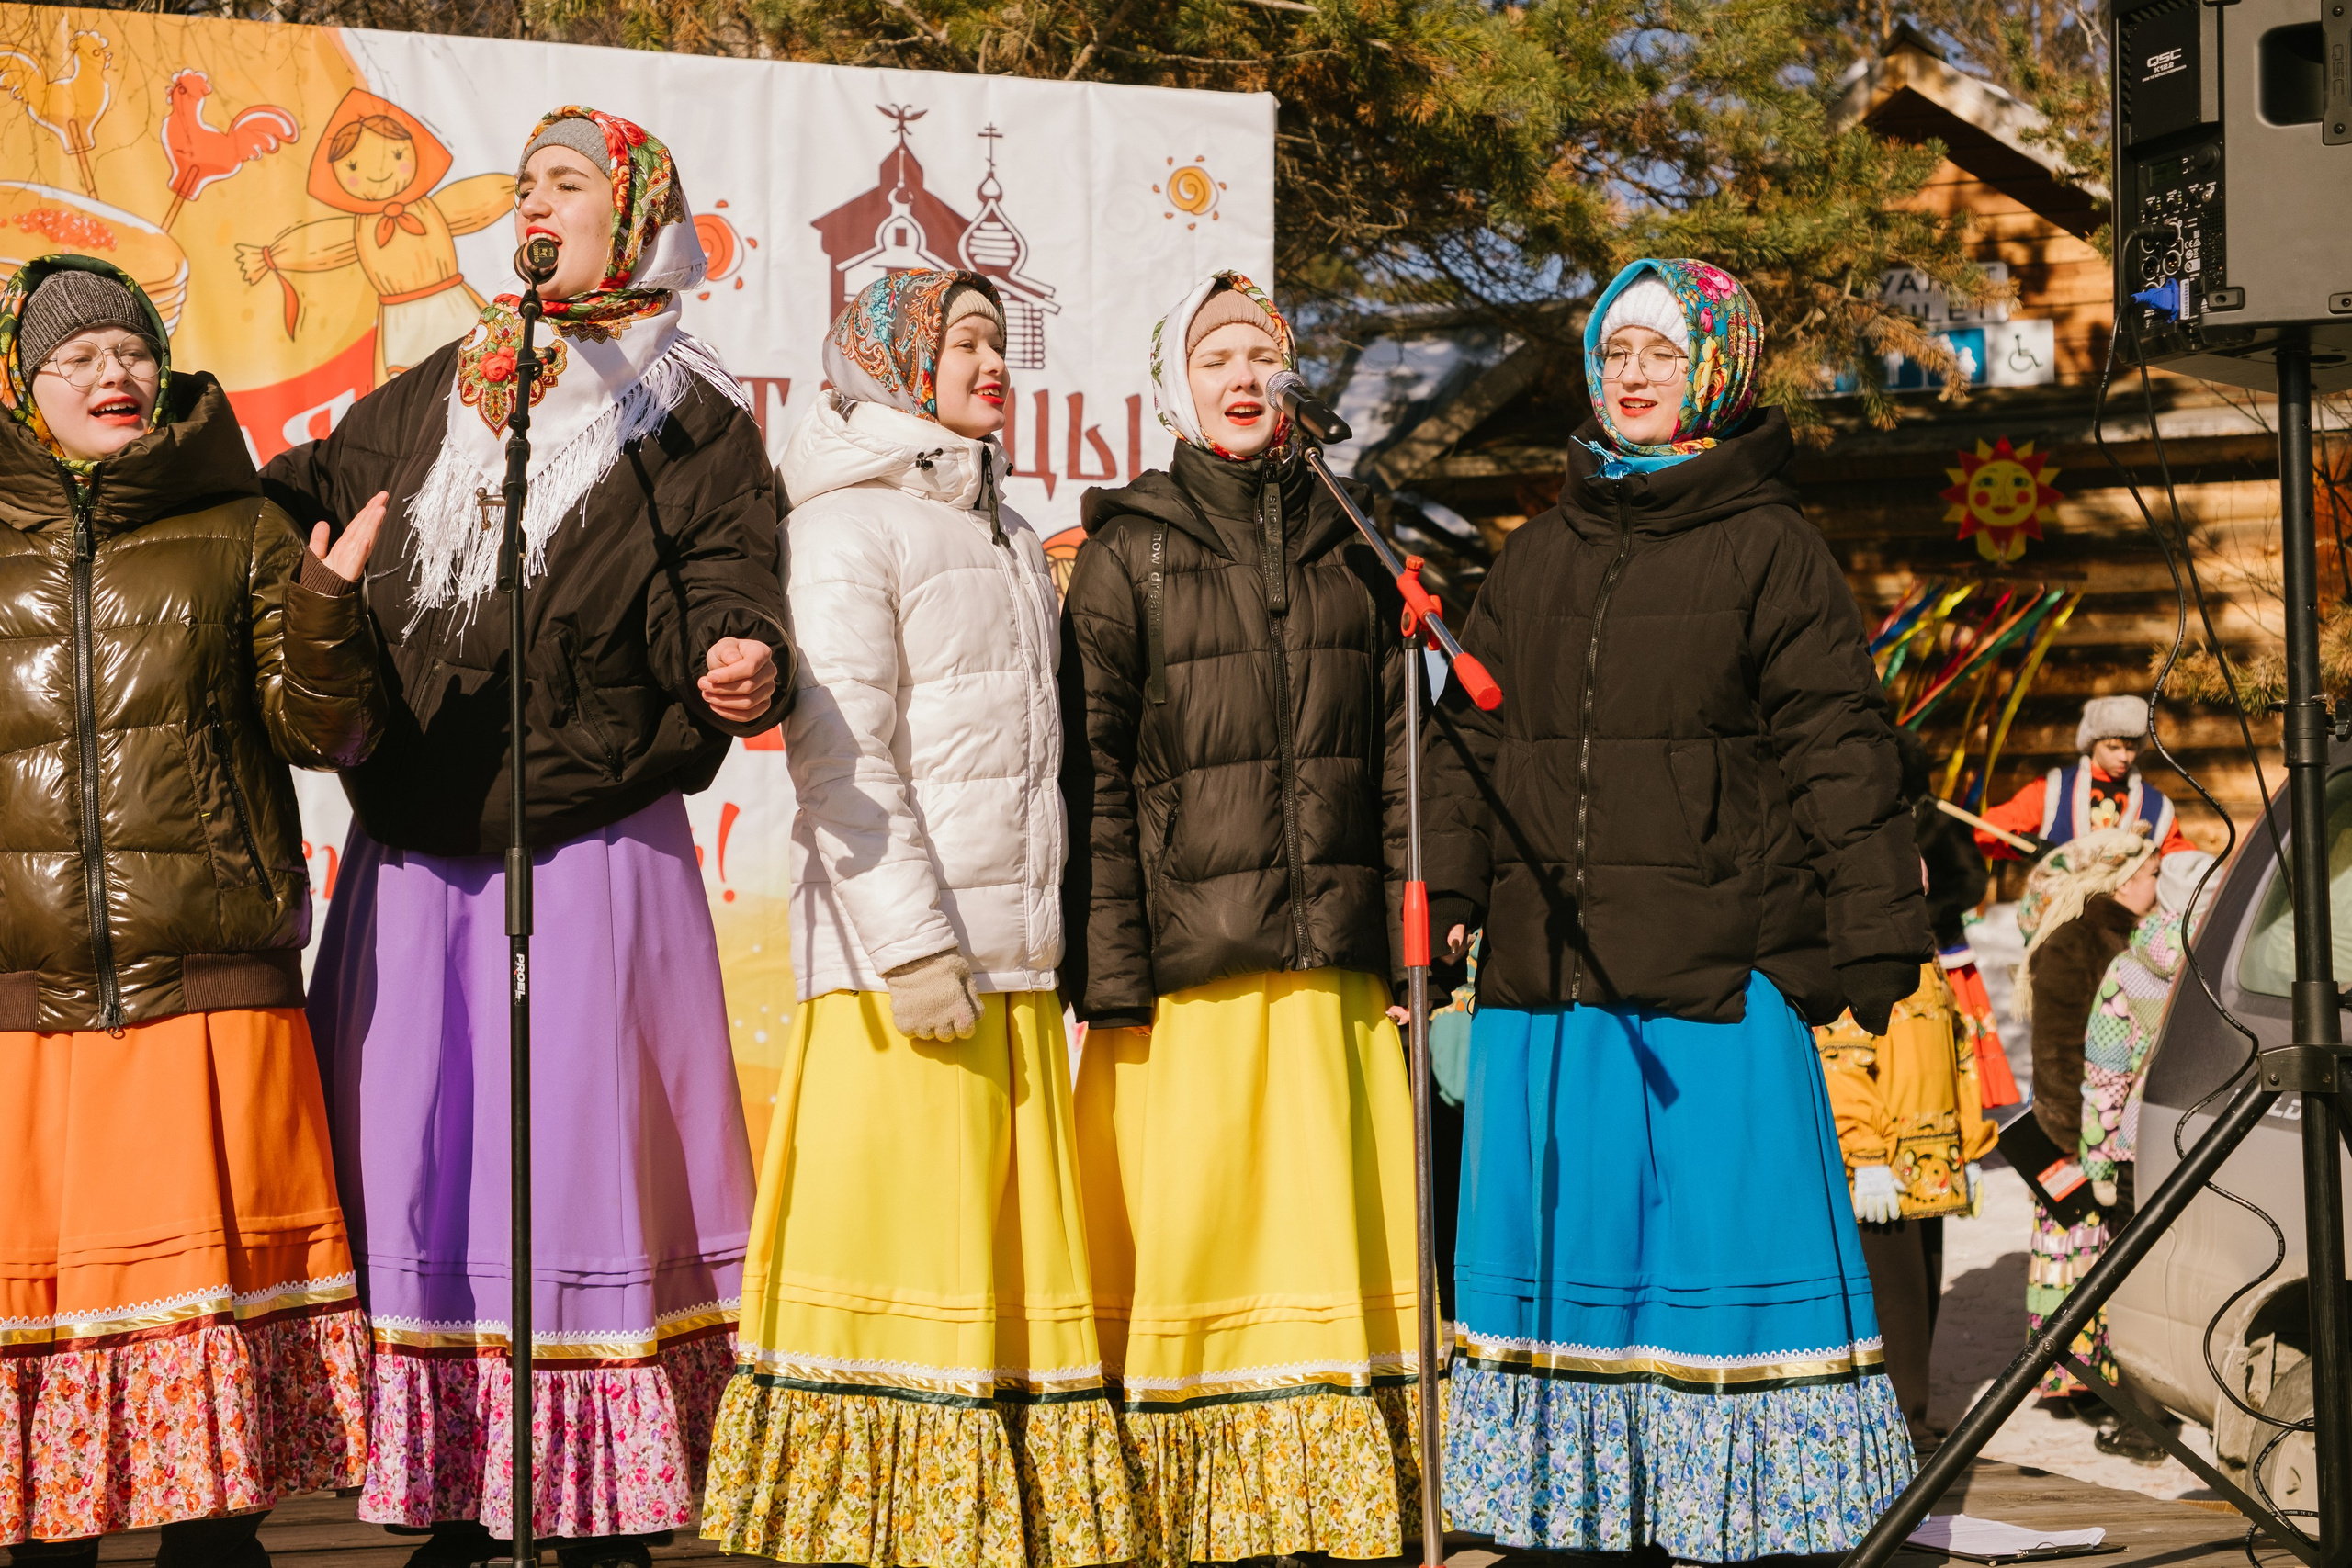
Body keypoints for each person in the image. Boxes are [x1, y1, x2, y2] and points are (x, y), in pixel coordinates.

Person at [262, 108, 786, 1568]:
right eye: (532, 184)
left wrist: (738, 649)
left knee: (580, 1158)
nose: (537, 204)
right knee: (425, 1154)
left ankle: (595, 1491)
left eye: (573, 183)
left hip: (588, 829)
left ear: (633, 221)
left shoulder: (684, 409)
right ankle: (449, 1476)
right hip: (423, 835)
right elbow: (303, 494)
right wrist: (187, 476)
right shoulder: (447, 385)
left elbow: (722, 568)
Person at [1423, 257, 1928, 1561]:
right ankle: (1578, 1511)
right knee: (1579, 1276)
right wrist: (1447, 897)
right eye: (1613, 352)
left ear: (1715, 366)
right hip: (1553, 981)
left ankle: (1749, 1512)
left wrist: (1874, 925)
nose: (1630, 374)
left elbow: (1839, 747)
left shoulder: (1774, 548)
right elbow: (1469, 744)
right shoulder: (1536, 557)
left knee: (1719, 1265)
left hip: (1714, 973)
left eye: (1657, 350)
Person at [699, 270, 1136, 1568]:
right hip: (911, 977)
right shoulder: (845, 529)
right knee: (908, 1273)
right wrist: (913, 943)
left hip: (1007, 964)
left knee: (985, 1281)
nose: (992, 359)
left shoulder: (1000, 528)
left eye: (1000, 339)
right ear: (895, 361)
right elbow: (844, 760)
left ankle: (976, 1526)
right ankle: (870, 1532)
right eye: (963, 339)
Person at [0, 256, 386, 1562]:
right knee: (38, 1413)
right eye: (81, 358)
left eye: (132, 349)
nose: (115, 374)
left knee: (213, 1482)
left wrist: (328, 611)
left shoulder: (241, 523)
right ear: (25, 385)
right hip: (29, 1006)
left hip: (206, 990)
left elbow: (325, 729)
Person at [1057, 270, 1424, 1566]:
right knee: (1203, 1259)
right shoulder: (1127, 549)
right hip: (1189, 976)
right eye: (1216, 356)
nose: (1242, 376)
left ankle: (1341, 1508)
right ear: (1176, 382)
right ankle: (1191, 1515)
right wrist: (1111, 974)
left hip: (1333, 971)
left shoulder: (1354, 545)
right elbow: (1091, 777)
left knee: (1330, 1261)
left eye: (1261, 354)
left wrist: (1405, 948)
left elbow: (1398, 762)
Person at [1815, 955, 1997, 1453]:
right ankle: (1896, 1433)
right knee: (1893, 1304)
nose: (1923, 877)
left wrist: (1970, 1142)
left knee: (1921, 1298)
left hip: (1932, 1161)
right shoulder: (1864, 951)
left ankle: (1910, 1419)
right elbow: (1840, 1053)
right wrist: (1864, 1150)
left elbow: (1959, 1051)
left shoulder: (1927, 956)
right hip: (1884, 1170)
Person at [2067, 849, 2212, 1459]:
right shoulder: (2237, 966)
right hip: (2219, 1140)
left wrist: (2098, 1160)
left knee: (2134, 1282)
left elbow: (2106, 1075)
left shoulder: (2130, 970)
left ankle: (2143, 1424)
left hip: (2140, 1144)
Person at [2014, 826, 2160, 1410]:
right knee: (2082, 1262)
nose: (2158, 883)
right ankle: (2082, 1377)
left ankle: (2111, 1375)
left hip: (2113, 1134)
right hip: (2078, 1139)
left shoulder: (2144, 939)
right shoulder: (2075, 943)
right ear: (2122, 881)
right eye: (2150, 874)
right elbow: (2056, 1053)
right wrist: (2081, 1143)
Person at [1900, 731, 2020, 1108]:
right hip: (1897, 952)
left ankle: (1967, 1111)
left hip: (1947, 952)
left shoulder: (1941, 819)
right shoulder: (1874, 821)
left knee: (1957, 1044)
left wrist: (1930, 911)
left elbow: (1973, 881)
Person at [1975, 696, 2196, 861]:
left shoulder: (2155, 804)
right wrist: (2022, 842)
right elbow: (1990, 828)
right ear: (2092, 743)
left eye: (2131, 748)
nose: (2123, 757)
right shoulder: (2055, 788)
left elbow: (2177, 857)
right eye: (2113, 747)